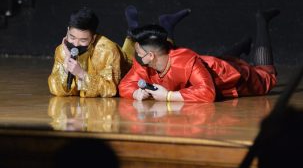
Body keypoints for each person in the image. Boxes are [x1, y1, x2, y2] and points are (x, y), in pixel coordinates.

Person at [118, 9, 279, 102]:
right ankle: (242, 46)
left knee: (267, 76)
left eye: (139, 53)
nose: (136, 57)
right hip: (208, 65)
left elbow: (207, 92)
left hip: (229, 78)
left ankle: (262, 20)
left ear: (151, 55)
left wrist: (168, 96)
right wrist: (135, 93)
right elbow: (124, 85)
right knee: (214, 61)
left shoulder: (185, 62)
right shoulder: (145, 64)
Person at [48, 5, 191, 98]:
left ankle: (166, 26)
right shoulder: (62, 50)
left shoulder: (106, 50)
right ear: (67, 31)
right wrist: (66, 71)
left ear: (94, 38)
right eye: (72, 37)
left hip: (130, 65)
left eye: (83, 41)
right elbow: (56, 89)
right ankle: (132, 32)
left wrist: (81, 74)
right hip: (122, 55)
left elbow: (110, 89)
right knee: (127, 50)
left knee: (161, 51)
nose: (75, 44)